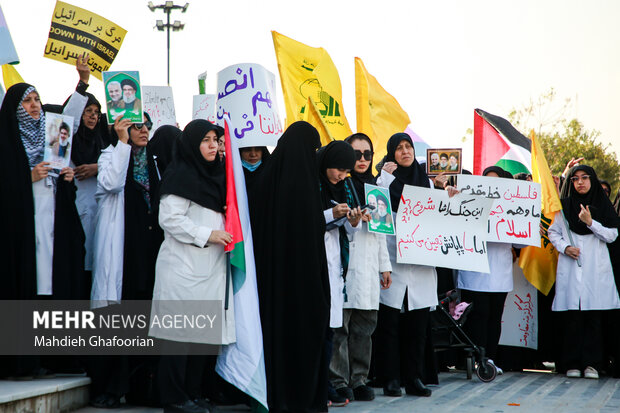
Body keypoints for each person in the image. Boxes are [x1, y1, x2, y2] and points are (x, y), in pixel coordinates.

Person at [0, 56, 90, 378]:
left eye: (37, 98)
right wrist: (29, 178)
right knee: (28, 286)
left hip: (52, 220)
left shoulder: (51, 134)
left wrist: (63, 177)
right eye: (27, 100)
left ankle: (55, 357)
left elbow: (71, 120)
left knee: (52, 289)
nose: (35, 105)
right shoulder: (7, 141)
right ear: (14, 107)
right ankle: (23, 360)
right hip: (22, 227)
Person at [150, 119, 234, 413]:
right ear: (191, 145)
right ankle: (174, 398)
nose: (213, 146)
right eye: (206, 140)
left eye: (216, 140)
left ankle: (193, 393)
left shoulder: (217, 175)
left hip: (211, 269)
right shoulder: (181, 175)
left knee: (201, 337)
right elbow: (170, 219)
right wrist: (207, 234)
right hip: (182, 268)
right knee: (179, 338)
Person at [250, 121, 330, 413]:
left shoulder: (266, 180)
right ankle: (306, 397)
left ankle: (279, 396)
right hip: (305, 285)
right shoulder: (307, 184)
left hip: (274, 285)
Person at [89, 112, 166, 407]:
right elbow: (110, 183)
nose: (144, 130)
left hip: (150, 252)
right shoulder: (110, 155)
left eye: (146, 125)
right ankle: (111, 388)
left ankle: (140, 387)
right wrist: (122, 143)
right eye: (136, 126)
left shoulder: (155, 162)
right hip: (123, 250)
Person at [329, 133, 392, 403]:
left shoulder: (377, 189)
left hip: (369, 268)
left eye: (368, 154)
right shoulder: (339, 186)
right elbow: (335, 225)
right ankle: (339, 380)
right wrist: (353, 220)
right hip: (346, 263)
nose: (363, 159)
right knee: (341, 328)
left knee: (365, 328)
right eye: (357, 154)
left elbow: (381, 232)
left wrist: (385, 267)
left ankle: (359, 379)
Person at [375, 132, 437, 398]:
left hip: (421, 266)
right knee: (389, 326)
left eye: (408, 146)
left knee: (417, 326)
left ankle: (414, 378)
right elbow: (377, 211)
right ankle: (391, 378)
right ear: (391, 154)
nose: (405, 151)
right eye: (398, 148)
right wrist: (385, 179)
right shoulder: (384, 181)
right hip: (393, 262)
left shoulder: (429, 185)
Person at [549, 165, 620, 379]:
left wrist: (591, 223)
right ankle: (571, 363)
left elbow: (612, 235)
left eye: (585, 178)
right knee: (573, 317)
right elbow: (553, 233)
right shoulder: (564, 207)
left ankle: (592, 364)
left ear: (592, 180)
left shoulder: (603, 206)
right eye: (575, 179)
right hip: (572, 266)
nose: (580, 182)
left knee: (593, 317)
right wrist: (564, 247)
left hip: (595, 270)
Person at [457, 166, 521, 376]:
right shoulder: (470, 203)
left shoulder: (513, 207)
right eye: (487, 181)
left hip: (500, 273)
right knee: (478, 315)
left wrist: (527, 229)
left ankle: (490, 360)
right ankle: (477, 359)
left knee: (495, 316)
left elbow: (519, 245)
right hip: (475, 272)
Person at [317, 139, 361, 406]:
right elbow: (305, 217)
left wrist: (352, 220)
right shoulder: (313, 183)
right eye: (339, 170)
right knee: (319, 330)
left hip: (335, 267)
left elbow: (347, 231)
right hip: (315, 263)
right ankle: (319, 386)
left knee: (330, 331)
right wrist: (329, 213)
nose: (342, 176)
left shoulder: (344, 187)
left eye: (346, 172)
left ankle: (327, 386)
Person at [70, 92, 112, 282]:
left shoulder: (102, 141)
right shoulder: (69, 140)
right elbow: (68, 119)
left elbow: (115, 166)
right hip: (74, 207)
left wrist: (97, 167)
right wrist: (82, 83)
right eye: (88, 111)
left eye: (96, 112)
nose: (93, 116)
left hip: (98, 210)